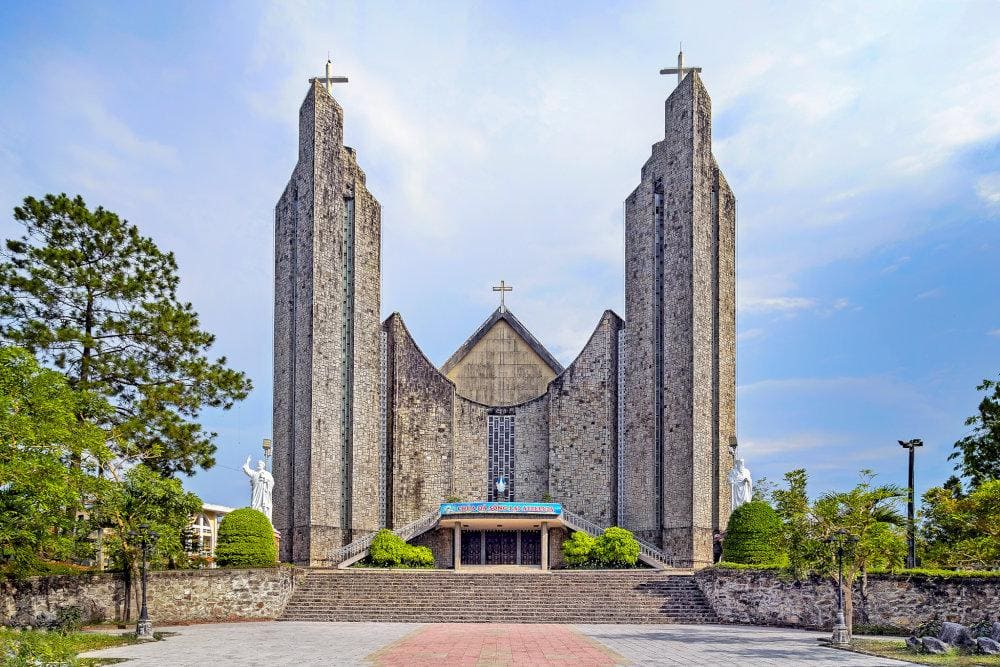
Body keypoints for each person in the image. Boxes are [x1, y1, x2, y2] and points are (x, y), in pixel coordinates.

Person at [242, 455, 274, 523]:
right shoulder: (255, 473)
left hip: (264, 493)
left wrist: (265, 479)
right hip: (256, 493)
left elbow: (272, 482)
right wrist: (247, 462)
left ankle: (265, 520)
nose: (258, 465)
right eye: (258, 464)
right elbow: (246, 470)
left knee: (264, 505)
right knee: (254, 505)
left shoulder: (267, 474)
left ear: (263, 466)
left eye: (260, 464)